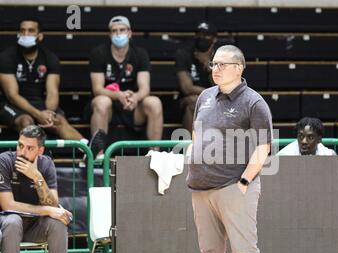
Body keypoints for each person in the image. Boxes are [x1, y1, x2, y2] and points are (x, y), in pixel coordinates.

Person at [187, 45, 273, 253]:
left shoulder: (253, 102)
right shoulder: (204, 97)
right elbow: (196, 133)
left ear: (239, 68)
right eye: (214, 64)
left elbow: (264, 147)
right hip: (200, 189)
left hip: (233, 188)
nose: (216, 69)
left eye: (222, 64)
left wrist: (245, 181)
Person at [0, 125, 73, 253]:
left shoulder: (46, 164)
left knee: (58, 223)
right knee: (12, 221)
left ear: (40, 150)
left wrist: (38, 178)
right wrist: (47, 210)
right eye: (20, 145)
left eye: (29, 148)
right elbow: (7, 204)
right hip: (8, 223)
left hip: (35, 226)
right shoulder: (5, 161)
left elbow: (53, 204)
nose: (22, 152)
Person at [87, 16, 163, 160]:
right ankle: (98, 154)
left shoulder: (140, 54)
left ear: (129, 33)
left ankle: (155, 155)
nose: (118, 34)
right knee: (101, 101)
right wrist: (118, 95)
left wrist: (135, 97)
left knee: (154, 102)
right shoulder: (99, 53)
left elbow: (145, 88)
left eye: (122, 30)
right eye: (114, 31)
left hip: (132, 106)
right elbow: (97, 88)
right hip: (109, 107)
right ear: (110, 34)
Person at [0, 18, 86, 143]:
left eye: (31, 31)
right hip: (11, 105)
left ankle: (91, 151)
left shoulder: (50, 58)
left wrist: (49, 113)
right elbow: (12, 95)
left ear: (40, 36)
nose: (25, 35)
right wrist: (38, 115)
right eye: (22, 31)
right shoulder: (7, 57)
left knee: (59, 121)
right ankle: (34, 160)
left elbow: (52, 92)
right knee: (26, 122)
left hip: (39, 102)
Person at [175, 22, 217, 133]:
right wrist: (209, 94)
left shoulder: (221, 56)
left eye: (206, 35)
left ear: (214, 39)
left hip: (218, 100)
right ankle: (192, 147)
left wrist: (208, 67)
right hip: (189, 100)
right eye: (199, 34)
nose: (202, 37)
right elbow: (187, 88)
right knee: (193, 102)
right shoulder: (184, 54)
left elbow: (224, 89)